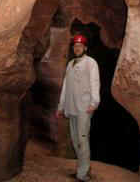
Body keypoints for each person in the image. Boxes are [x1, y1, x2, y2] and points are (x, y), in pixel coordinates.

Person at [56, 34, 100, 182]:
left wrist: (94, 103)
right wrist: (61, 107)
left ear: (85, 48)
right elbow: (65, 87)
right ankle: (82, 168)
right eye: (75, 46)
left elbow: (95, 83)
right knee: (75, 140)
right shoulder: (70, 64)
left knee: (82, 139)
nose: (77, 48)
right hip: (71, 107)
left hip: (84, 108)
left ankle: (83, 173)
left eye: (80, 46)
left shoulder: (91, 63)